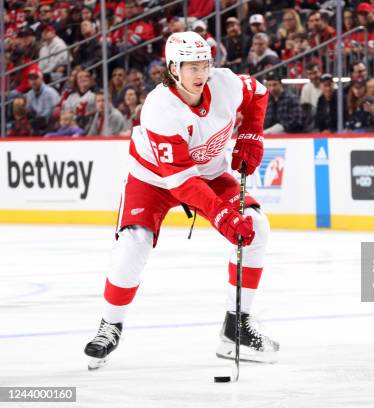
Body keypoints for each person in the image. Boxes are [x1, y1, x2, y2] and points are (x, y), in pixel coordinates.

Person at [83, 31, 279, 369]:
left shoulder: (225, 83)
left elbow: (258, 94)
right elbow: (183, 183)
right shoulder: (160, 110)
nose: (201, 73)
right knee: (135, 241)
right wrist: (223, 218)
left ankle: (237, 326)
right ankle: (110, 324)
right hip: (154, 178)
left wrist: (250, 135)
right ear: (174, 68)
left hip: (210, 172)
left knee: (258, 227)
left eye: (205, 63)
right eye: (192, 66)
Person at [25, 70, 61, 135]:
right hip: (38, 123)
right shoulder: (29, 94)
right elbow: (28, 111)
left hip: (51, 123)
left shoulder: (50, 92)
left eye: (35, 79)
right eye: (31, 79)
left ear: (41, 79)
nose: (33, 82)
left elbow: (49, 115)